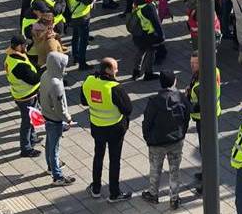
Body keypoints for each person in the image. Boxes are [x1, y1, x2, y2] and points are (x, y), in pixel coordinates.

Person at [81, 57, 133, 202]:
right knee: (114, 160)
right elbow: (128, 109)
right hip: (115, 128)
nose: (117, 70)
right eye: (115, 68)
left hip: (97, 126)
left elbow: (84, 101)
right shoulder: (114, 88)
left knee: (98, 156)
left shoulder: (89, 81)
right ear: (108, 70)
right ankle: (114, 193)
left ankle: (96, 188)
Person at [141, 71, 191, 208]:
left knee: (155, 169)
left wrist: (148, 138)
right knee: (175, 170)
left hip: (157, 142)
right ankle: (174, 199)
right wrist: (182, 133)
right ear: (174, 81)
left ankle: (153, 194)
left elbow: (147, 122)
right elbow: (187, 116)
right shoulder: (181, 98)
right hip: (176, 140)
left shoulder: (154, 101)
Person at [40, 46, 76, 185]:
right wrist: (68, 118)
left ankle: (50, 166)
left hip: (46, 114)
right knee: (55, 147)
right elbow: (60, 106)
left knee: (50, 143)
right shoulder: (56, 84)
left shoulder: (45, 75)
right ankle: (57, 176)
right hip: (55, 119)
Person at [186, 53, 221, 184]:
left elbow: (200, 107)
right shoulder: (213, 70)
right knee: (206, 149)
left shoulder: (202, 85)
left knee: (205, 150)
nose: (192, 66)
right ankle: (206, 173)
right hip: (211, 115)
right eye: (191, 63)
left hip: (204, 119)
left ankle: (208, 182)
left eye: (195, 63)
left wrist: (186, 102)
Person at [4, 34, 41, 157]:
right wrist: (44, 70)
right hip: (26, 96)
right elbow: (34, 79)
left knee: (31, 118)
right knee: (27, 121)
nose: (26, 46)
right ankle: (26, 148)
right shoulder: (18, 65)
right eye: (24, 44)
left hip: (22, 93)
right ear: (18, 46)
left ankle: (32, 138)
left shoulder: (12, 56)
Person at [131, 0, 165, 81]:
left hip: (139, 32)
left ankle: (136, 72)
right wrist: (161, 36)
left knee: (141, 50)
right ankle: (148, 73)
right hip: (149, 34)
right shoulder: (149, 6)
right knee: (151, 53)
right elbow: (156, 23)